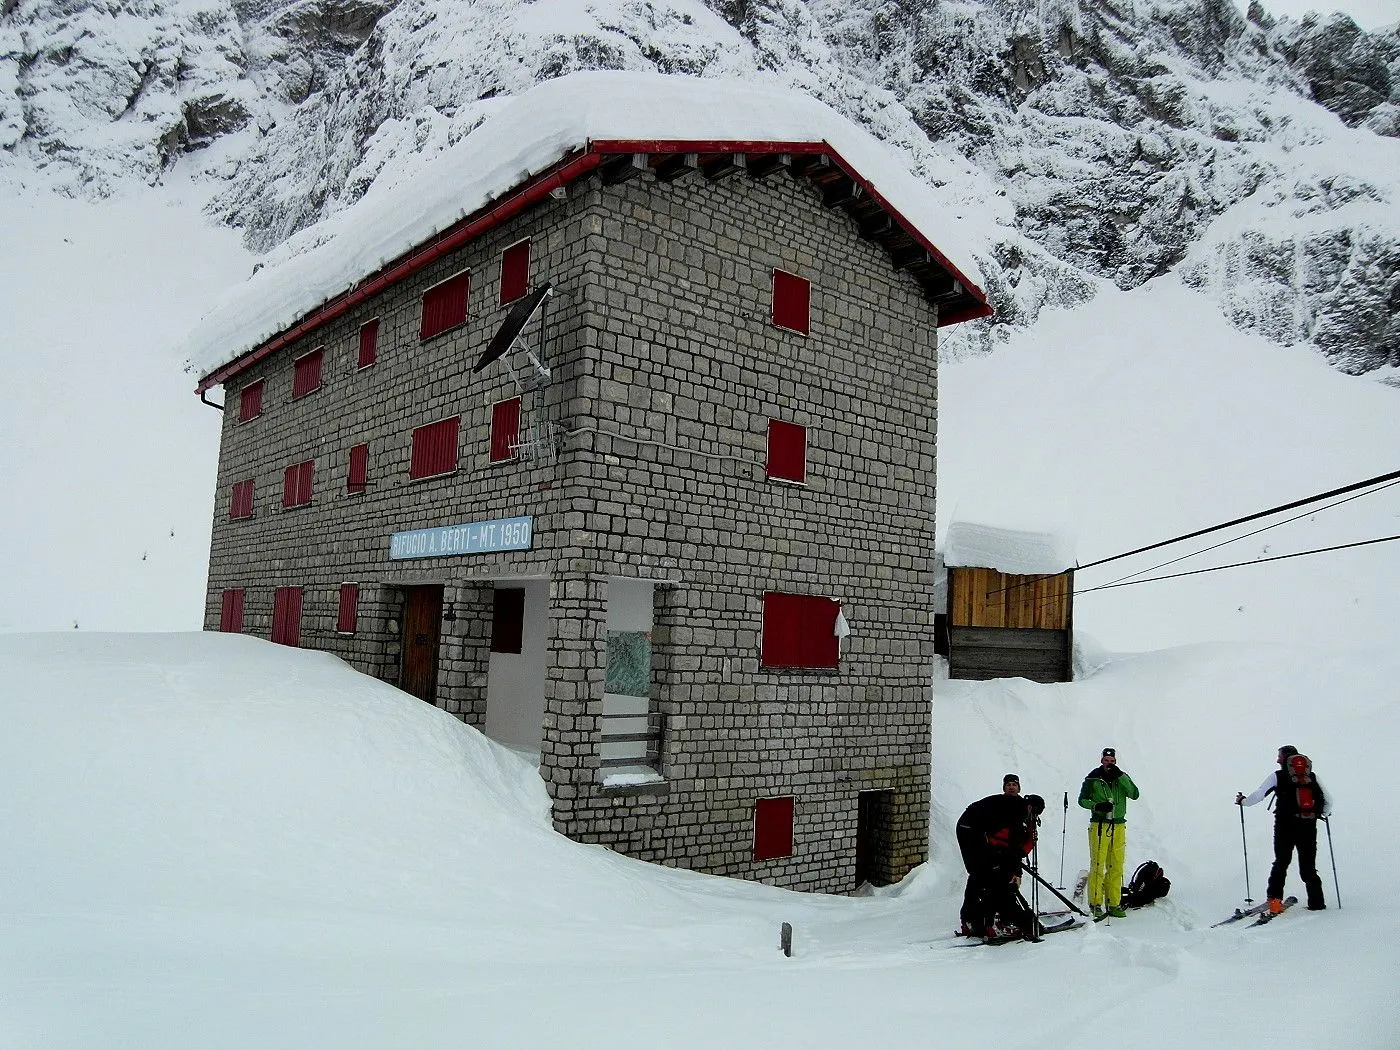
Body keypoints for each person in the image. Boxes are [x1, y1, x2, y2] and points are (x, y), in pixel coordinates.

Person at [1236, 745, 1329, 913]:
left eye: (1279, 756)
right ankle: (1317, 903)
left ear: (1285, 758)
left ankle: (1274, 902)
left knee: (1281, 862)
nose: (1277, 759)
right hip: (1308, 826)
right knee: (1308, 867)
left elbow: (1259, 795)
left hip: (1284, 826)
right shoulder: (1311, 777)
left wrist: (1243, 801)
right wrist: (1320, 813)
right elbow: (1328, 801)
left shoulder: (1277, 776)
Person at [956, 775, 1044, 940]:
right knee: (990, 876)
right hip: (971, 831)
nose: (1011, 787)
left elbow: (1012, 846)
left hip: (970, 829)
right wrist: (1014, 869)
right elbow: (1010, 844)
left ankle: (972, 920)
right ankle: (994, 922)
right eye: (1008, 784)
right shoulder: (1016, 811)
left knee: (980, 875)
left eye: (1014, 784)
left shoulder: (1017, 808)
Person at [1078, 747, 1140, 918]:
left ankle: (1113, 903)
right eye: (1106, 761)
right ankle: (1095, 903)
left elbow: (1134, 794)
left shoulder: (1121, 778)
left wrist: (1120, 776)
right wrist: (1096, 806)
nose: (1109, 764)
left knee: (1116, 864)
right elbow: (1082, 800)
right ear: (1101, 761)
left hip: (1118, 824)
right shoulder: (1093, 778)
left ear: (1115, 761)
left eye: (1112, 761)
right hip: (1099, 824)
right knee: (1098, 863)